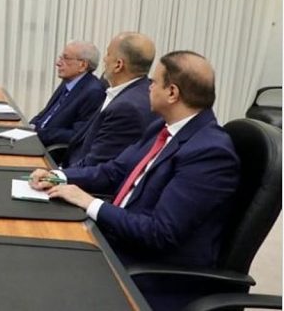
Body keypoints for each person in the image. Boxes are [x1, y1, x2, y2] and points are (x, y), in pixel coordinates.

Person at [30, 51, 239, 310]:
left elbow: (159, 232)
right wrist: (58, 176)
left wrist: (90, 203)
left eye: (154, 82)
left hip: (150, 272)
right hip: (118, 238)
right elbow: (114, 171)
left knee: (39, 283)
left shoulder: (209, 152)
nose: (148, 87)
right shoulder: (162, 127)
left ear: (172, 93)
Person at [63, 32, 159, 167]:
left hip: (80, 175)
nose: (104, 59)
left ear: (118, 65)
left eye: (108, 54)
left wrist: (56, 175)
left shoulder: (126, 108)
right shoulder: (125, 92)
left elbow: (95, 164)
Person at [29, 40, 106, 146]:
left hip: (50, 148)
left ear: (83, 65)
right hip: (36, 139)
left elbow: (77, 135)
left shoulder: (94, 93)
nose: (58, 63)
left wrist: (40, 133)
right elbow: (46, 113)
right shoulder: (69, 81)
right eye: (61, 58)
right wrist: (30, 126)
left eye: (65, 58)